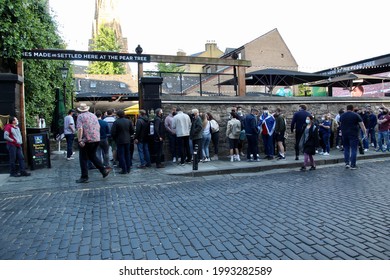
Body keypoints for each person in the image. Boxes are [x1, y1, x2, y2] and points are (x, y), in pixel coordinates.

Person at [75, 103, 111, 183]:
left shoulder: (80, 116)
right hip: (96, 139)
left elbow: (80, 129)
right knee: (92, 156)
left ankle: (84, 177)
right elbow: (98, 126)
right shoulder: (93, 115)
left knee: (83, 158)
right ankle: (103, 171)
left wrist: (80, 139)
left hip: (86, 140)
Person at [339, 104, 367, 170]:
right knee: (354, 149)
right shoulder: (356, 115)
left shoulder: (342, 115)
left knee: (346, 148)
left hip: (345, 134)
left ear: (347, 108)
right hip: (353, 134)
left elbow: (340, 124)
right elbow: (362, 125)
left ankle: (347, 163)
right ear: (353, 109)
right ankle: (353, 165)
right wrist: (365, 132)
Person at [111, 110, 134, 174]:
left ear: (118, 115)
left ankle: (124, 169)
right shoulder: (128, 121)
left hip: (119, 140)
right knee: (127, 154)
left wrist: (115, 138)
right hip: (127, 139)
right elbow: (132, 130)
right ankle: (128, 168)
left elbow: (113, 132)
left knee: (121, 155)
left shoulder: (116, 122)